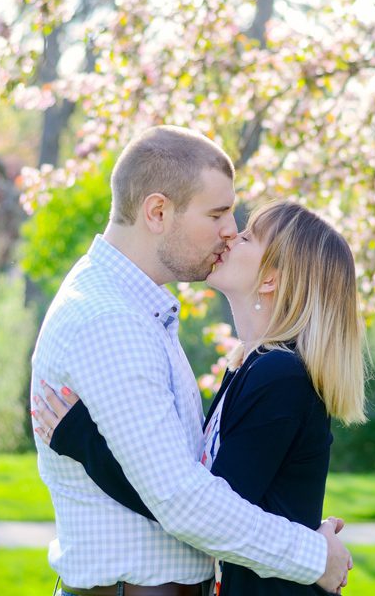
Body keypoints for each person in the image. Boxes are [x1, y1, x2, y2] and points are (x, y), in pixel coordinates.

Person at [29, 126, 351, 596]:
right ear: (158, 211)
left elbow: (209, 487)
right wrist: (311, 554)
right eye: (218, 213)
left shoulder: (144, 311)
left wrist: (295, 529)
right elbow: (182, 500)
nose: (229, 231)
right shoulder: (111, 319)